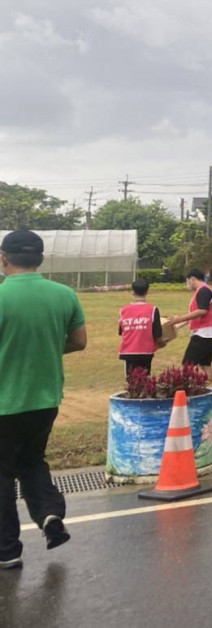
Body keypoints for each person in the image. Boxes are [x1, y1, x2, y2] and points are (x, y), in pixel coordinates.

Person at [0, 230, 88, 568]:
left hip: (4, 402)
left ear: (4, 258)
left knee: (3, 473)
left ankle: (7, 550)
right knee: (32, 461)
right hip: (45, 398)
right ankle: (50, 515)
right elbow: (79, 341)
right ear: (40, 259)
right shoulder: (64, 294)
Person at [164, 268, 212, 381]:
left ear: (192, 279)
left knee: (189, 364)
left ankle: (203, 387)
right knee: (205, 363)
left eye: (187, 281)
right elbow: (194, 314)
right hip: (211, 332)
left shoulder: (203, 290)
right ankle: (209, 390)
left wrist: (179, 318)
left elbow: (202, 311)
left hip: (204, 333)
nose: (187, 284)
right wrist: (176, 325)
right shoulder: (204, 290)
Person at [117, 278, 165, 377]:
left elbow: (122, 332)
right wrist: (162, 343)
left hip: (128, 351)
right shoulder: (153, 310)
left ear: (132, 292)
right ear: (147, 292)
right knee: (145, 379)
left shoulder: (123, 311)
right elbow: (157, 335)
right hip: (146, 352)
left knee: (131, 381)